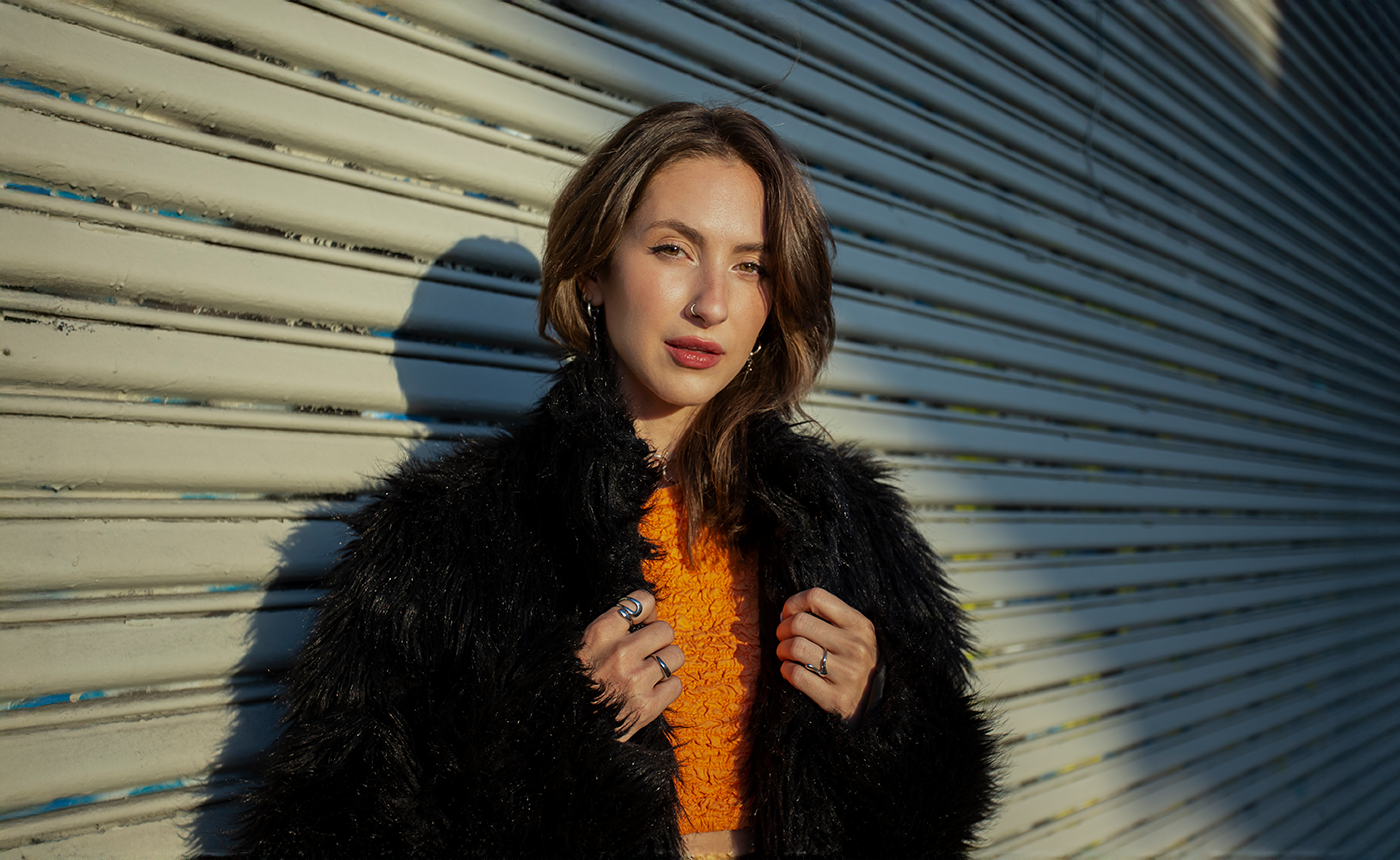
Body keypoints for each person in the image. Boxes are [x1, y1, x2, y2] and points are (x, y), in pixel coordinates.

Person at [232, 102, 996, 859]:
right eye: (673, 249)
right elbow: (328, 830)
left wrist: (883, 711)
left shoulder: (850, 525)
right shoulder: (447, 539)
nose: (712, 304)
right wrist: (548, 739)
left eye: (751, 266)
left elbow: (943, 813)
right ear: (595, 269)